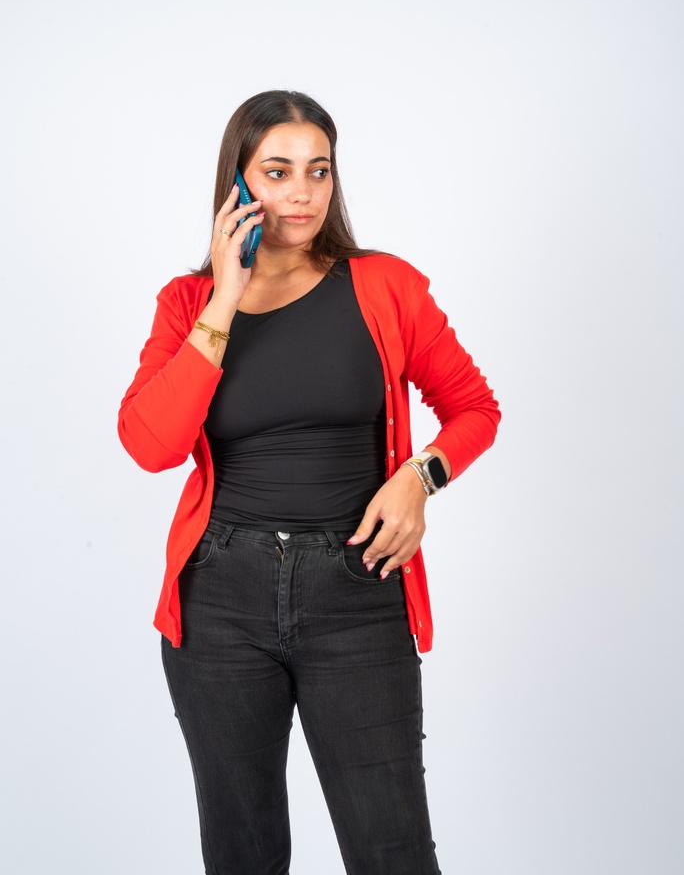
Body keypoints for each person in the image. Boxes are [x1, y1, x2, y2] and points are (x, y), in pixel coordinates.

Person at [118, 89, 500, 875]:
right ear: (238, 183)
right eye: (278, 171)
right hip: (219, 598)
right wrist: (226, 295)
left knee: (391, 851)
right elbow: (151, 445)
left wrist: (419, 478)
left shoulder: (386, 286)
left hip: (358, 588)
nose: (301, 193)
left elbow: (473, 407)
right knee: (243, 854)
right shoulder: (188, 303)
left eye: (318, 171)